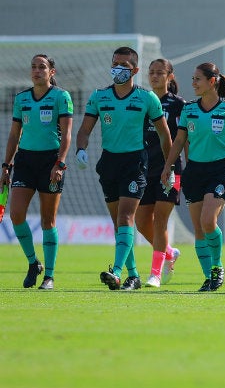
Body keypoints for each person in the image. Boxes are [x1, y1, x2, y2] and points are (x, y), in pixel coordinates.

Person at [77, 46, 172, 291]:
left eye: (123, 66)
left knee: (126, 217)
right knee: (119, 224)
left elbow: (164, 135)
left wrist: (169, 167)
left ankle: (117, 272)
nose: (117, 69)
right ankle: (134, 275)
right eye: (115, 64)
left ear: (135, 70)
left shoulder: (146, 98)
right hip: (108, 163)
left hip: (135, 163)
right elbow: (85, 129)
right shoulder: (99, 96)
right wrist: (81, 149)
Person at [160, 62, 225, 292]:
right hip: (194, 173)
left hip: (219, 172)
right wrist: (168, 166)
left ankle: (217, 267)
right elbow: (179, 141)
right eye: (192, 79)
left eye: (197, 79)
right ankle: (208, 277)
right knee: (199, 229)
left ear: (212, 82)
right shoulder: (189, 109)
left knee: (208, 221)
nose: (193, 83)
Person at [1, 54, 73, 290]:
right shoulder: (22, 98)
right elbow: (14, 135)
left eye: (42, 67)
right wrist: (6, 165)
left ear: (52, 72)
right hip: (25, 161)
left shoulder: (61, 97)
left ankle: (49, 276)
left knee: (47, 220)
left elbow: (67, 134)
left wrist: (60, 164)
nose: (36, 71)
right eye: (33, 67)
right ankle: (33, 263)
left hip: (50, 162)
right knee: (16, 215)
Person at [138, 59, 186, 288]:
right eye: (151, 73)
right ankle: (168, 252)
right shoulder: (143, 101)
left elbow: (184, 138)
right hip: (145, 168)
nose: (155, 76)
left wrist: (189, 167)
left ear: (170, 77)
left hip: (171, 168)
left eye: (160, 73)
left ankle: (155, 273)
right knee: (141, 221)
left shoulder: (179, 105)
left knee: (160, 220)